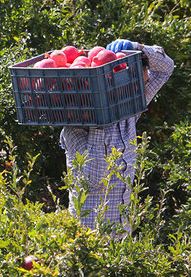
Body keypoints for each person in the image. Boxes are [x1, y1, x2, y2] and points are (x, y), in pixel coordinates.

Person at [59, 39, 174, 236]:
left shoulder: (130, 105)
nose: (141, 89)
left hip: (121, 233)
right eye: (137, 83)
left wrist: (138, 47)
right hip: (88, 236)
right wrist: (101, 121)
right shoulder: (74, 128)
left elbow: (165, 69)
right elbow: (93, 179)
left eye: (143, 83)